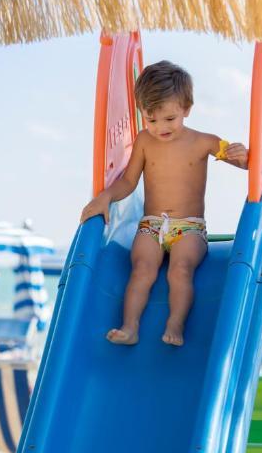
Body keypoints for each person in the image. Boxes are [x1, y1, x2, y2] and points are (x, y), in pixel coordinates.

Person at [79, 60, 248, 347]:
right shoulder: (144, 141)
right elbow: (128, 181)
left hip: (190, 228)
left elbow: (244, 164)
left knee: (180, 270)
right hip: (152, 225)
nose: (161, 127)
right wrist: (105, 196)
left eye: (169, 118)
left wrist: (243, 156)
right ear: (142, 114)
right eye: (152, 120)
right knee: (142, 269)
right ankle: (130, 327)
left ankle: (175, 323)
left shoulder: (205, 142)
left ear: (186, 108)